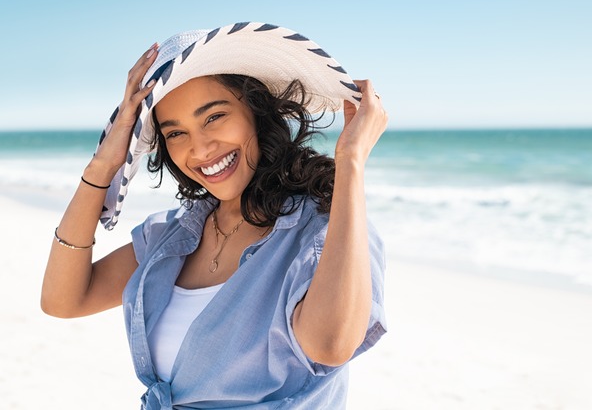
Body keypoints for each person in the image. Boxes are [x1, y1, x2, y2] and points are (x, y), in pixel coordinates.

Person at [40, 22, 388, 409]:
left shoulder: (325, 231)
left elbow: (330, 345)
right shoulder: (170, 237)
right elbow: (62, 300)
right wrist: (103, 165)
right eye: (175, 134)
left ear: (256, 112)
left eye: (214, 117)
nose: (201, 148)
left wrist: (351, 164)